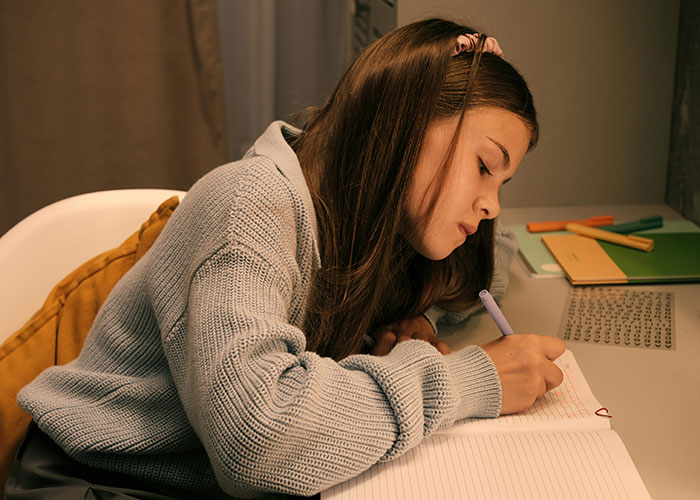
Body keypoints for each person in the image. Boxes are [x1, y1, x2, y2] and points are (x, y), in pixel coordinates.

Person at [6, 17, 565, 500]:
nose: (491, 205)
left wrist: (412, 321)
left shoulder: (376, 227)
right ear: (404, 124)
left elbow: (491, 265)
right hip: (99, 480)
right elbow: (257, 435)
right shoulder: (248, 206)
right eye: (485, 167)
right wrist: (468, 379)